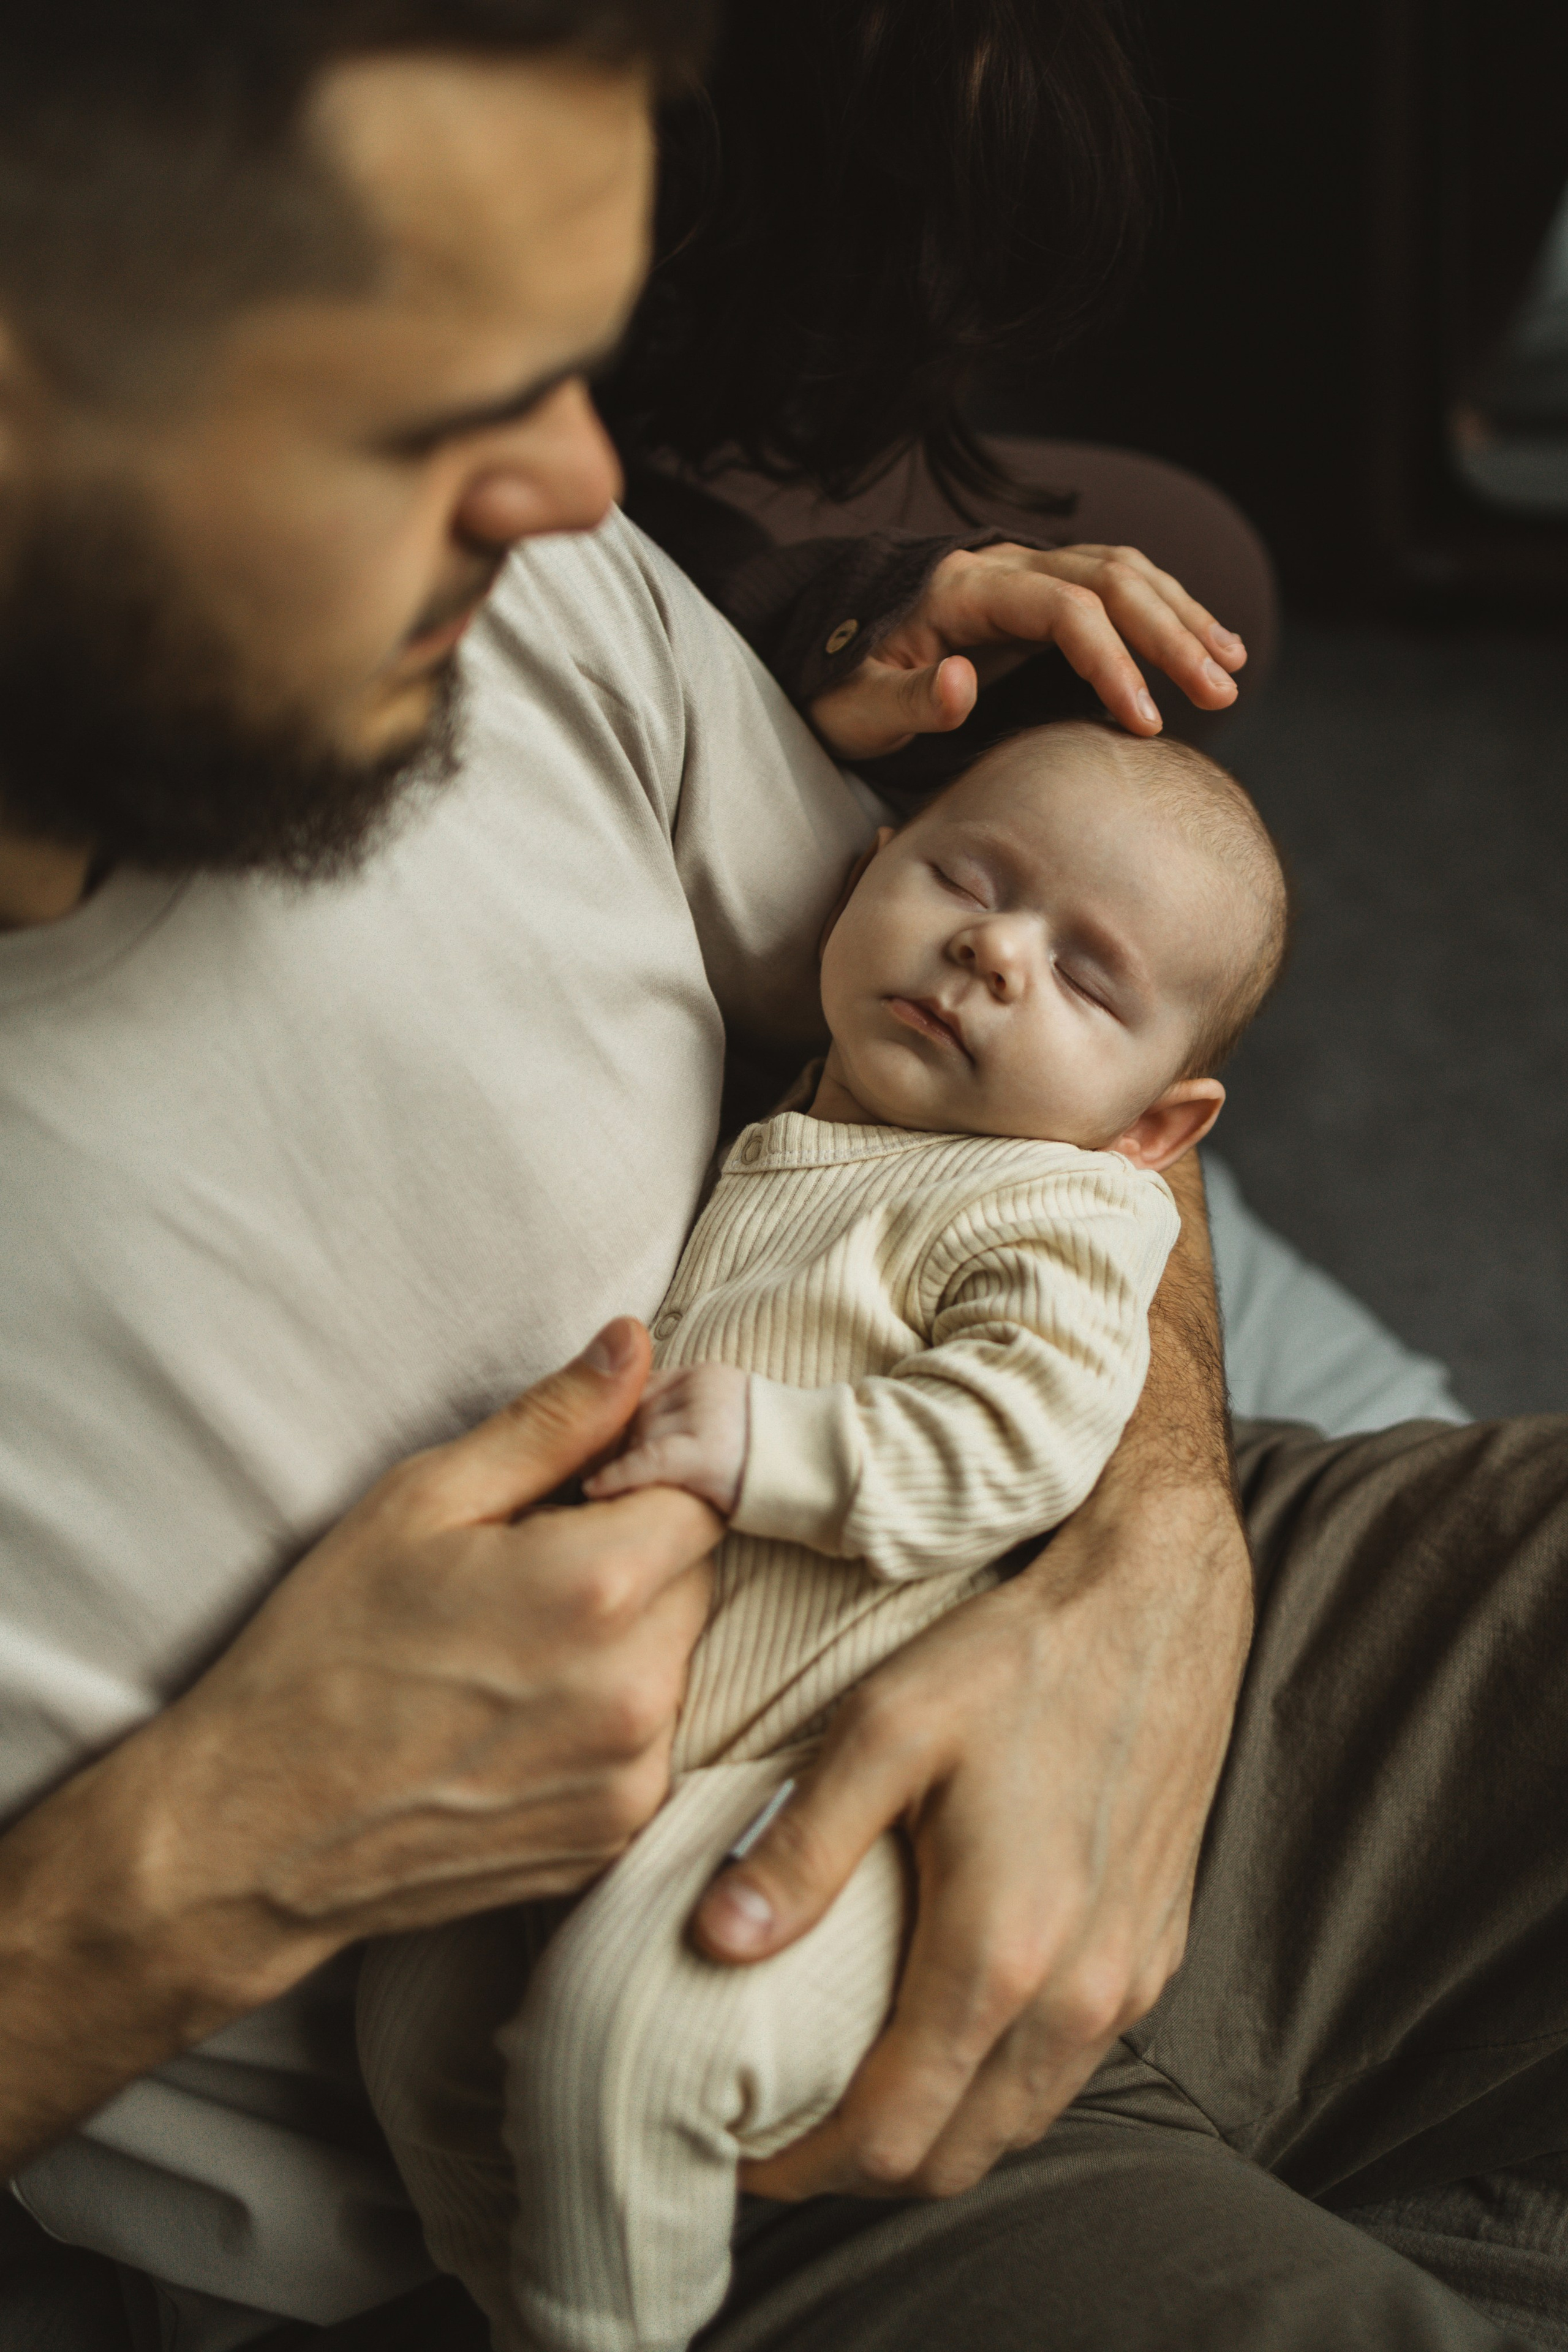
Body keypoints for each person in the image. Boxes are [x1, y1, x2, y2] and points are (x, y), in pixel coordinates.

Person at [0, 9, 1559, 2352]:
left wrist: (1152, 1559)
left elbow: (1050, 1102)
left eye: (563, 372)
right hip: (594, 2100)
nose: (566, 485)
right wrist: (197, 1868)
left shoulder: (520, 613)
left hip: (1135, 1639)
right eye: (428, 405)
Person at [356, 720, 1289, 2352]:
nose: (993, 952)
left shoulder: (1065, 1214)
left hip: (836, 1788)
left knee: (627, 2038)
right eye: (966, 881)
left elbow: (1022, 1438)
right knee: (409, 2014)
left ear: (1157, 1125)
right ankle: (511, 2290)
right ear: (864, 875)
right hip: (615, 1753)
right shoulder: (798, 1118)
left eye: (1087, 979)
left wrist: (765, 1451)